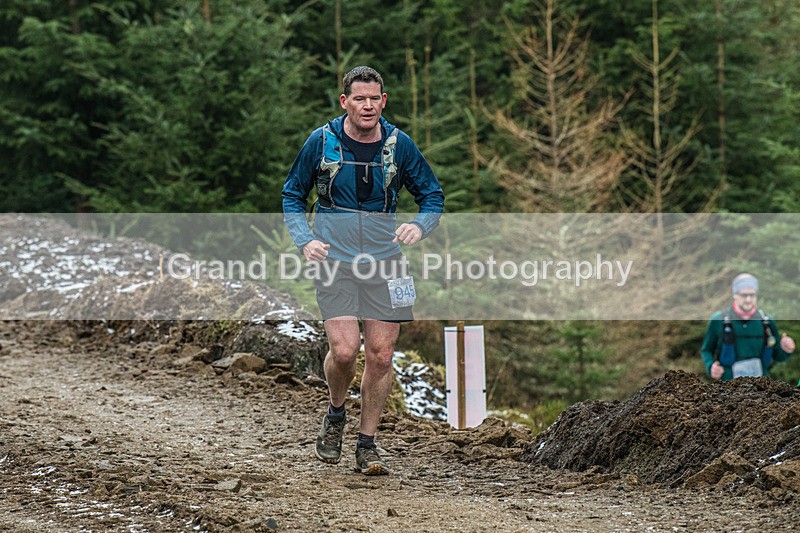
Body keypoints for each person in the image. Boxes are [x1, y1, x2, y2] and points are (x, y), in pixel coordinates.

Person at [282, 66, 444, 475]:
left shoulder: (399, 145)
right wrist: (305, 240)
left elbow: (432, 196)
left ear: (383, 101)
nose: (368, 105)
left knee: (382, 355)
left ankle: (367, 444)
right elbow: (292, 194)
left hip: (386, 261)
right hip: (333, 260)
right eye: (359, 99)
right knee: (344, 351)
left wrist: (419, 225)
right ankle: (336, 413)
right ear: (345, 102)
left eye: (374, 98)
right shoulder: (321, 141)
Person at [701, 273, 795, 381]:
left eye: (752, 295)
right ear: (735, 295)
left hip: (761, 386)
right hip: (728, 385)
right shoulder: (718, 320)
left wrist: (787, 350)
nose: (748, 300)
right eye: (744, 295)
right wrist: (711, 366)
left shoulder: (767, 321)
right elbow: (706, 350)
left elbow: (778, 356)